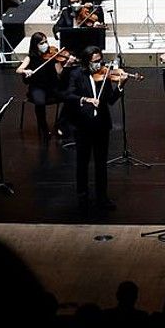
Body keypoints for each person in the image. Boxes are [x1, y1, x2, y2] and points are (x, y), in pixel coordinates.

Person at [63, 46, 128, 209]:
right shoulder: (76, 74)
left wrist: (121, 86)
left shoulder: (105, 75)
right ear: (86, 62)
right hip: (83, 126)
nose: (99, 65)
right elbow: (69, 95)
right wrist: (86, 99)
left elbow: (111, 100)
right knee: (82, 162)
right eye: (95, 62)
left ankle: (102, 197)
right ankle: (82, 196)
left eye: (100, 61)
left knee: (101, 163)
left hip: (101, 125)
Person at [16, 31, 72, 141]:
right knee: (40, 102)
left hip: (52, 86)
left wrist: (67, 64)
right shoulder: (30, 58)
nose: (45, 45)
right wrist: (26, 71)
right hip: (37, 87)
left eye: (46, 41)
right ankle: (44, 129)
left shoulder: (53, 55)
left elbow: (60, 73)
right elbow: (18, 69)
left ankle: (60, 124)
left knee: (70, 97)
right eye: (42, 43)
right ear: (35, 45)